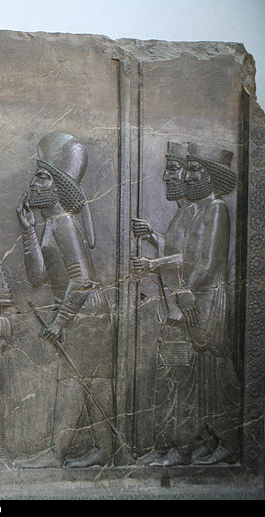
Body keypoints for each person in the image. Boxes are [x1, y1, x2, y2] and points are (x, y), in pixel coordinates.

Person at [15, 132, 114, 468]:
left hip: (84, 310)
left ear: (58, 187)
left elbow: (83, 282)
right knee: (89, 382)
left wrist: (59, 322)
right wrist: (28, 229)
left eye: (42, 177)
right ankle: (101, 449)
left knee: (77, 382)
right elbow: (37, 277)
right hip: (77, 309)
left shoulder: (64, 224)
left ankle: (58, 454)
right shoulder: (49, 225)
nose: (33, 183)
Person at [132, 142, 199, 466]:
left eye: (173, 169)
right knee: (168, 381)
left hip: (183, 312)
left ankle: (180, 448)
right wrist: (153, 236)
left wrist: (151, 264)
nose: (166, 177)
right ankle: (165, 445)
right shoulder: (183, 214)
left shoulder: (197, 213)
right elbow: (175, 251)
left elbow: (190, 259)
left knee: (179, 384)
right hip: (173, 311)